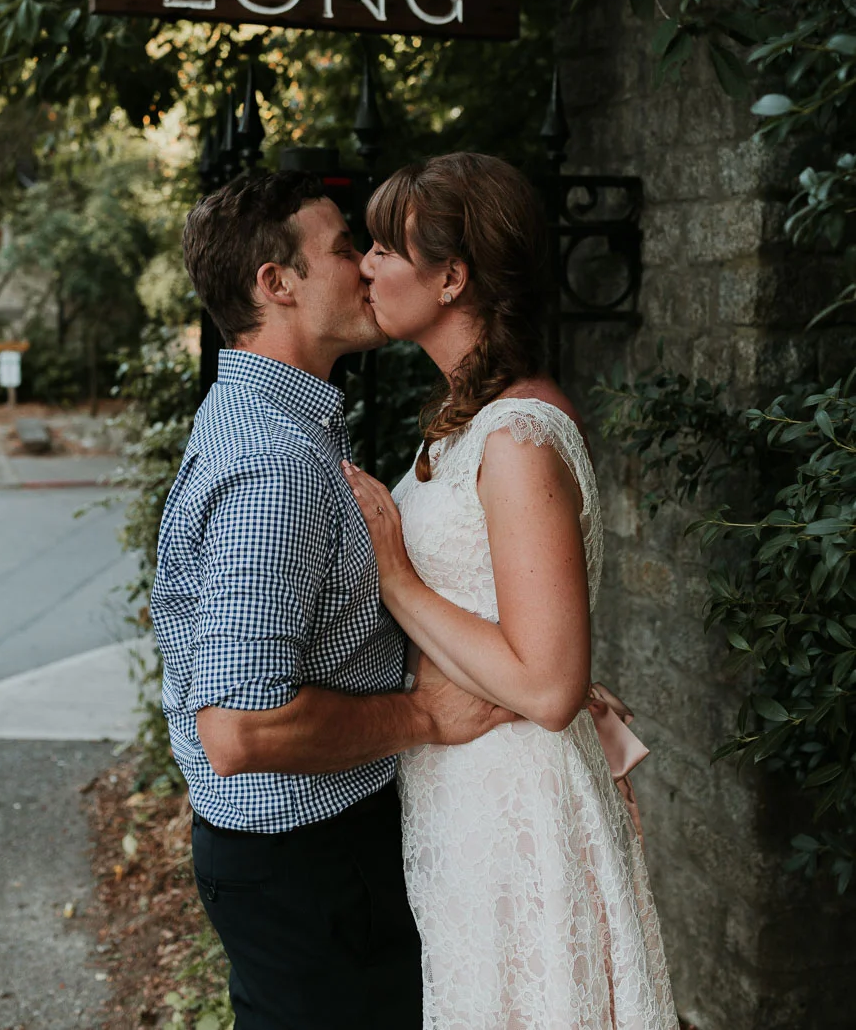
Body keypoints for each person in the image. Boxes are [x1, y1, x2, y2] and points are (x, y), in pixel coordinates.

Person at [150, 169, 514, 1030]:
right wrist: (424, 718)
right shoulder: (274, 468)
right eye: (346, 248)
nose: (366, 267)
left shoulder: (270, 425)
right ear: (275, 284)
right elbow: (239, 729)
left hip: (305, 856)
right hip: (307, 864)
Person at [344, 152, 679, 1030]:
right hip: (464, 801)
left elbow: (548, 683)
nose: (365, 265)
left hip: (517, 802)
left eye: (385, 247)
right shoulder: (468, 421)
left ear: (452, 277)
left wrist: (396, 579)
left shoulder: (519, 437)